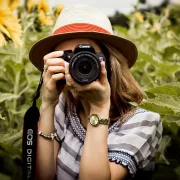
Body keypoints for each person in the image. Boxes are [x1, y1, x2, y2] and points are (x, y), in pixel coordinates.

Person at [29, 4, 163, 180]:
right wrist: (47, 104)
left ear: (110, 63)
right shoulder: (64, 105)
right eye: (68, 58)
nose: (79, 65)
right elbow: (43, 177)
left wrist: (99, 107)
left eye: (88, 57)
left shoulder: (144, 122)